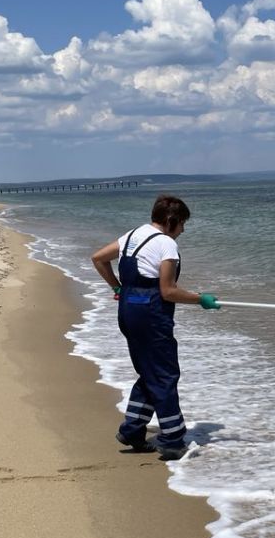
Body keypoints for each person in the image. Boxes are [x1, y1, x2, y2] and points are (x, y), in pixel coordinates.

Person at [91, 194, 220, 461]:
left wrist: (117, 287)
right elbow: (168, 291)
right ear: (172, 221)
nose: (183, 230)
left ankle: (132, 431)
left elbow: (98, 258)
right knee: (164, 375)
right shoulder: (166, 245)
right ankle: (173, 441)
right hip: (150, 315)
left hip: (127, 311)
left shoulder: (133, 235)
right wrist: (201, 300)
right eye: (182, 224)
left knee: (150, 372)